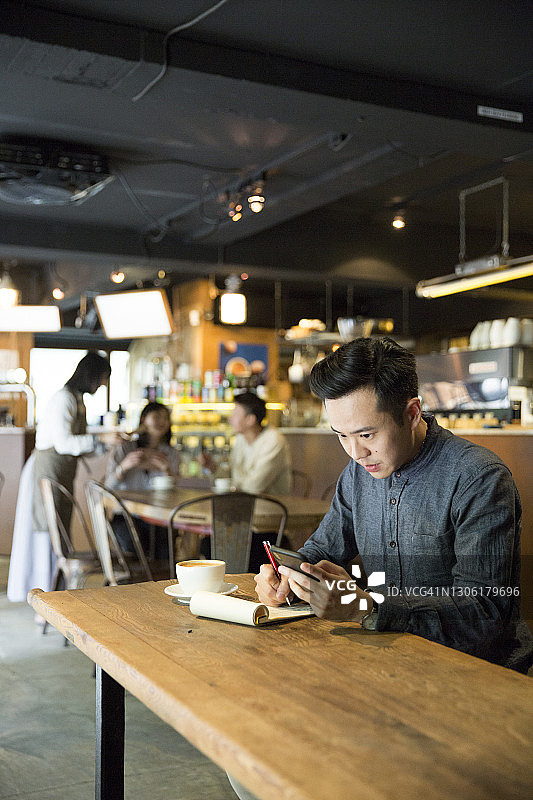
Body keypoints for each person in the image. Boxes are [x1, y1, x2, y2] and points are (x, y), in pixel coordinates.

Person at [254, 336, 533, 674]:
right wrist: (288, 576)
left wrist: (366, 608)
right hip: (387, 660)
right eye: (341, 435)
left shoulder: (478, 479)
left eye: (366, 435)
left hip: (477, 673)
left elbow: (484, 613)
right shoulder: (357, 476)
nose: (355, 453)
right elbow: (320, 551)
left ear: (412, 413)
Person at [8, 352, 111, 606]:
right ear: (90, 376)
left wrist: (103, 444)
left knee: (59, 533)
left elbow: (77, 445)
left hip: (62, 473)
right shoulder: (63, 399)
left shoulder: (78, 400)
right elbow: (65, 443)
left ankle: (54, 595)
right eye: (102, 379)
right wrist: (101, 440)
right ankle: (41, 595)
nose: (103, 385)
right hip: (47, 471)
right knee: (46, 531)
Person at [200, 391, 292, 570]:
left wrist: (231, 482)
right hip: (240, 520)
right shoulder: (241, 440)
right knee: (208, 543)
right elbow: (231, 478)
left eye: (235, 413)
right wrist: (213, 469)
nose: (230, 419)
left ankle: (238, 588)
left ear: (250, 419)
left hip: (268, 525)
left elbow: (253, 487)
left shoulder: (274, 440)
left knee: (213, 547)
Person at [105, 401, 180, 560]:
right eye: (157, 416)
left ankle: (161, 581)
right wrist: (124, 466)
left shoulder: (171, 454)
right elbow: (107, 488)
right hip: (126, 515)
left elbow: (174, 494)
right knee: (134, 547)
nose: (162, 422)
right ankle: (137, 582)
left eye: (166, 418)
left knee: (166, 548)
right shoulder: (125, 449)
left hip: (159, 517)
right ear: (143, 419)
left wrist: (167, 470)